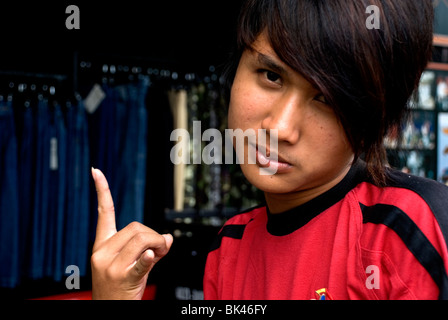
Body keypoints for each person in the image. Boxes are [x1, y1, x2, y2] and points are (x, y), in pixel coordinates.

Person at [91, 0, 448, 300]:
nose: (279, 128)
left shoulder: (413, 228)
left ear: (375, 118)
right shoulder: (229, 246)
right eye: (271, 76)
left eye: (325, 98)